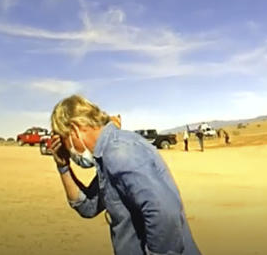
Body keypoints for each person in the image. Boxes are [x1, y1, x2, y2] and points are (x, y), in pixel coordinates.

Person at [48, 94, 202, 255]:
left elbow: (164, 212)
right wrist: (63, 167)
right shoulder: (105, 158)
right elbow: (88, 207)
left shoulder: (119, 152)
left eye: (65, 141)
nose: (69, 150)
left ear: (74, 129)